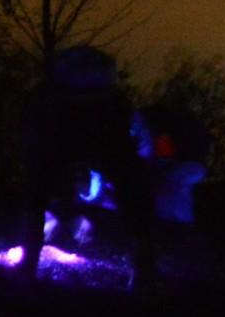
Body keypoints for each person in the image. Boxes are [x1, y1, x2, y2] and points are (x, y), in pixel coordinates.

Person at [17, 45, 157, 286]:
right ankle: (28, 264)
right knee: (38, 194)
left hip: (90, 148)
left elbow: (139, 141)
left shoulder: (112, 105)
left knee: (134, 195)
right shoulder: (106, 104)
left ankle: (143, 272)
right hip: (71, 148)